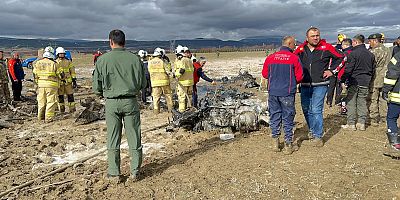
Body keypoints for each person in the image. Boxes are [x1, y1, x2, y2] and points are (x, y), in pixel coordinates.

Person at [92, 29, 147, 183]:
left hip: (111, 103)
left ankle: (114, 173)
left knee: (112, 138)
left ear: (110, 42)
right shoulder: (135, 59)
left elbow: (96, 87)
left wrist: (103, 93)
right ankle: (135, 172)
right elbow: (143, 83)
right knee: (134, 137)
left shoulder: (102, 60)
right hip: (131, 101)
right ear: (125, 42)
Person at [294, 27, 343, 147]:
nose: (316, 38)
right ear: (307, 38)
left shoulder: (326, 47)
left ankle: (318, 136)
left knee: (316, 109)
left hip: (321, 84)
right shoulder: (301, 49)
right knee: (306, 109)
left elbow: (342, 58)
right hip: (305, 84)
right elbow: (293, 60)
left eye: (317, 35)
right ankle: (312, 131)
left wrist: (332, 71)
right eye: (313, 36)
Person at [262, 36, 303, 155]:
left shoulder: (270, 57)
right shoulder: (294, 58)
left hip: (273, 92)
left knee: (274, 116)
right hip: (287, 92)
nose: (295, 46)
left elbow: (265, 74)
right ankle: (288, 145)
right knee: (288, 118)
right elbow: (300, 76)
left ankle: (275, 142)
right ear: (289, 43)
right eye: (294, 44)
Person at [341, 34, 375, 131]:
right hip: (365, 81)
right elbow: (373, 70)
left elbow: (348, 69)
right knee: (362, 102)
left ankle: (351, 124)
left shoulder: (353, 54)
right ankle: (361, 123)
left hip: (354, 81)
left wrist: (343, 79)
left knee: (351, 102)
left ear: (355, 42)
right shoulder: (370, 54)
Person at [368, 33, 391, 126]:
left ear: (375, 41)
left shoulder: (373, 51)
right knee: (384, 99)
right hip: (386, 78)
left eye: (370, 41)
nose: (369, 43)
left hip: (375, 79)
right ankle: (384, 118)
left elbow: (371, 66)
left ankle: (373, 119)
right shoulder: (387, 50)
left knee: (372, 99)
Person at [33, 51, 61, 122]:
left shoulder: (38, 63)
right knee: (51, 101)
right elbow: (60, 75)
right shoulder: (54, 64)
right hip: (51, 85)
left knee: (41, 101)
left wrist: (37, 82)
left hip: (41, 85)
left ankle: (40, 117)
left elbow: (35, 74)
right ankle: (48, 118)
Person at [382, 51, 400, 151]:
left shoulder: (398, 57)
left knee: (391, 118)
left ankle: (395, 143)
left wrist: (386, 89)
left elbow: (392, 74)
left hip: (398, 95)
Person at [148, 47, 173, 113]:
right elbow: (168, 71)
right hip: (165, 82)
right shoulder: (163, 61)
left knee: (156, 98)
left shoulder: (150, 62)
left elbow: (149, 71)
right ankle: (170, 110)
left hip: (154, 83)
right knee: (168, 96)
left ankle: (156, 111)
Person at [326, 33, 347, 107]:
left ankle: (329, 101)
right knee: (339, 87)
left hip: (332, 69)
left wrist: (330, 69)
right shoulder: (344, 50)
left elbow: (330, 60)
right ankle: (337, 101)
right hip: (340, 70)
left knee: (331, 86)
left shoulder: (334, 48)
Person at [55, 47, 77, 113]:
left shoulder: (68, 61)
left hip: (68, 83)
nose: (62, 55)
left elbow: (72, 71)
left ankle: (72, 110)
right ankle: (62, 110)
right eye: (60, 54)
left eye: (63, 54)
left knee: (70, 96)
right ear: (57, 54)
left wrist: (74, 80)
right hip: (60, 84)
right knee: (60, 97)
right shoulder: (55, 62)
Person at [174, 45, 194, 112]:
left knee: (182, 98)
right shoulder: (189, 60)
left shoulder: (182, 60)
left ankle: (182, 112)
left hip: (183, 82)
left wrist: (175, 75)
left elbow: (182, 70)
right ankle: (190, 111)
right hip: (190, 82)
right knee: (189, 97)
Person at [336, 38, 353, 115]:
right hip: (352, 76)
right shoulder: (354, 52)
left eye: (342, 45)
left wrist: (334, 71)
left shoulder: (345, 54)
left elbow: (341, 64)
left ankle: (344, 108)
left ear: (346, 45)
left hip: (343, 75)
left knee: (343, 93)